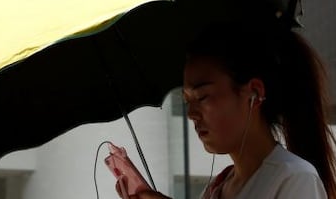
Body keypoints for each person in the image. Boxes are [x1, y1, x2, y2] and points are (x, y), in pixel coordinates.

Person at [116, 19, 336, 199]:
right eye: (187, 101)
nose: (191, 114)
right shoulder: (217, 188)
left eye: (203, 96)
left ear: (255, 93)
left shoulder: (294, 179)